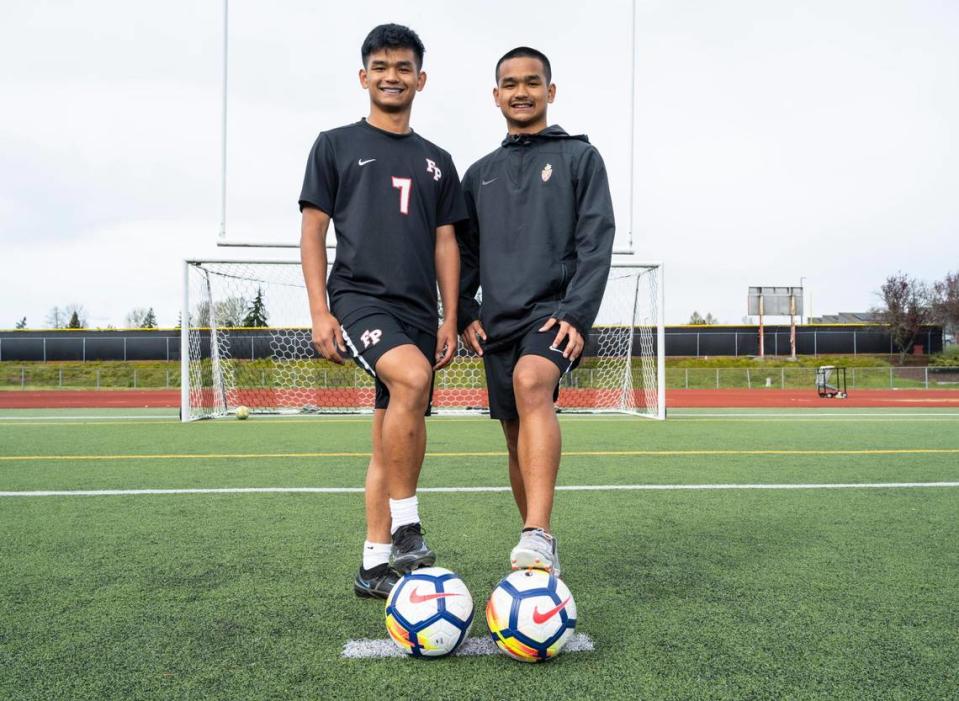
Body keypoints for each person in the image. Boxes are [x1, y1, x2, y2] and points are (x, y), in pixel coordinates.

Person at [299, 24, 465, 598]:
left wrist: (448, 318)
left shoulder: (439, 160)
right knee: (412, 378)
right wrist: (321, 313)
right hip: (360, 297)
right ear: (363, 76)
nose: (391, 76)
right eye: (380, 66)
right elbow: (313, 231)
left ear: (420, 79)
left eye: (403, 68)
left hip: (420, 310)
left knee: (392, 433)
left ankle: (372, 565)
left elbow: (447, 242)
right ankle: (406, 526)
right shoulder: (335, 144)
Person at [457, 47, 615, 577]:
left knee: (532, 382)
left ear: (551, 91)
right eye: (509, 83)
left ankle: (538, 533)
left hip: (553, 314)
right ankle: (536, 547)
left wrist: (577, 313)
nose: (520, 91)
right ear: (496, 95)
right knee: (513, 433)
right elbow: (466, 255)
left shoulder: (580, 158)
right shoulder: (479, 174)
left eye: (532, 82)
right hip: (498, 319)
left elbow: (597, 241)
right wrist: (462, 310)